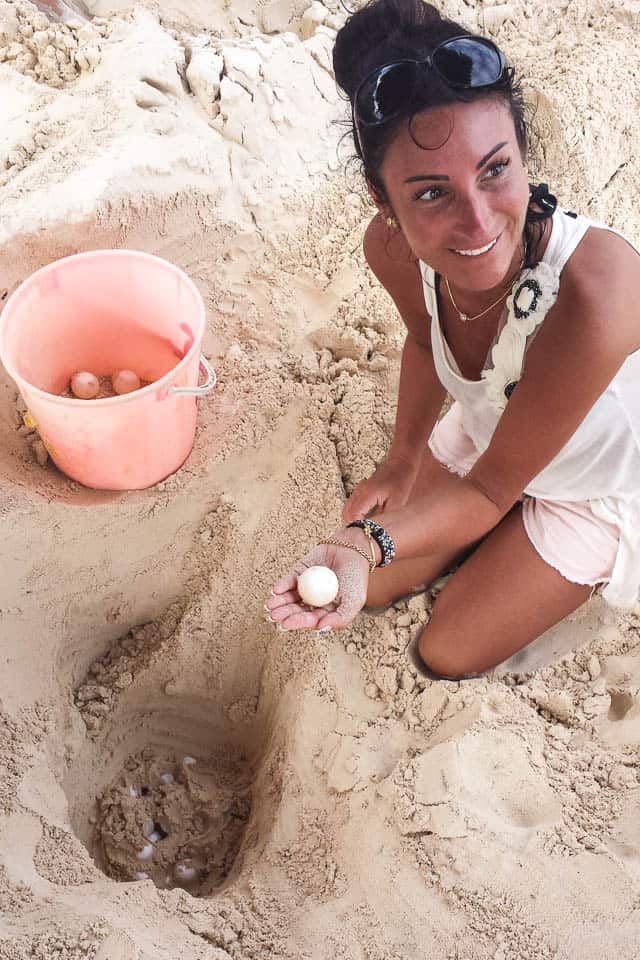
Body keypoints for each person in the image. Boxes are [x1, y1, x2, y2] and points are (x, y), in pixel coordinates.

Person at [266, 0, 640, 680]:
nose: (477, 221)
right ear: (386, 204)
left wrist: (361, 539)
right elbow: (420, 339)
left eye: (495, 170)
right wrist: (402, 461)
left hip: (600, 478)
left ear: (524, 157)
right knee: (372, 584)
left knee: (447, 648)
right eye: (432, 194)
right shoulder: (391, 251)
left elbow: (489, 493)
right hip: (497, 427)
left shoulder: (599, 289)